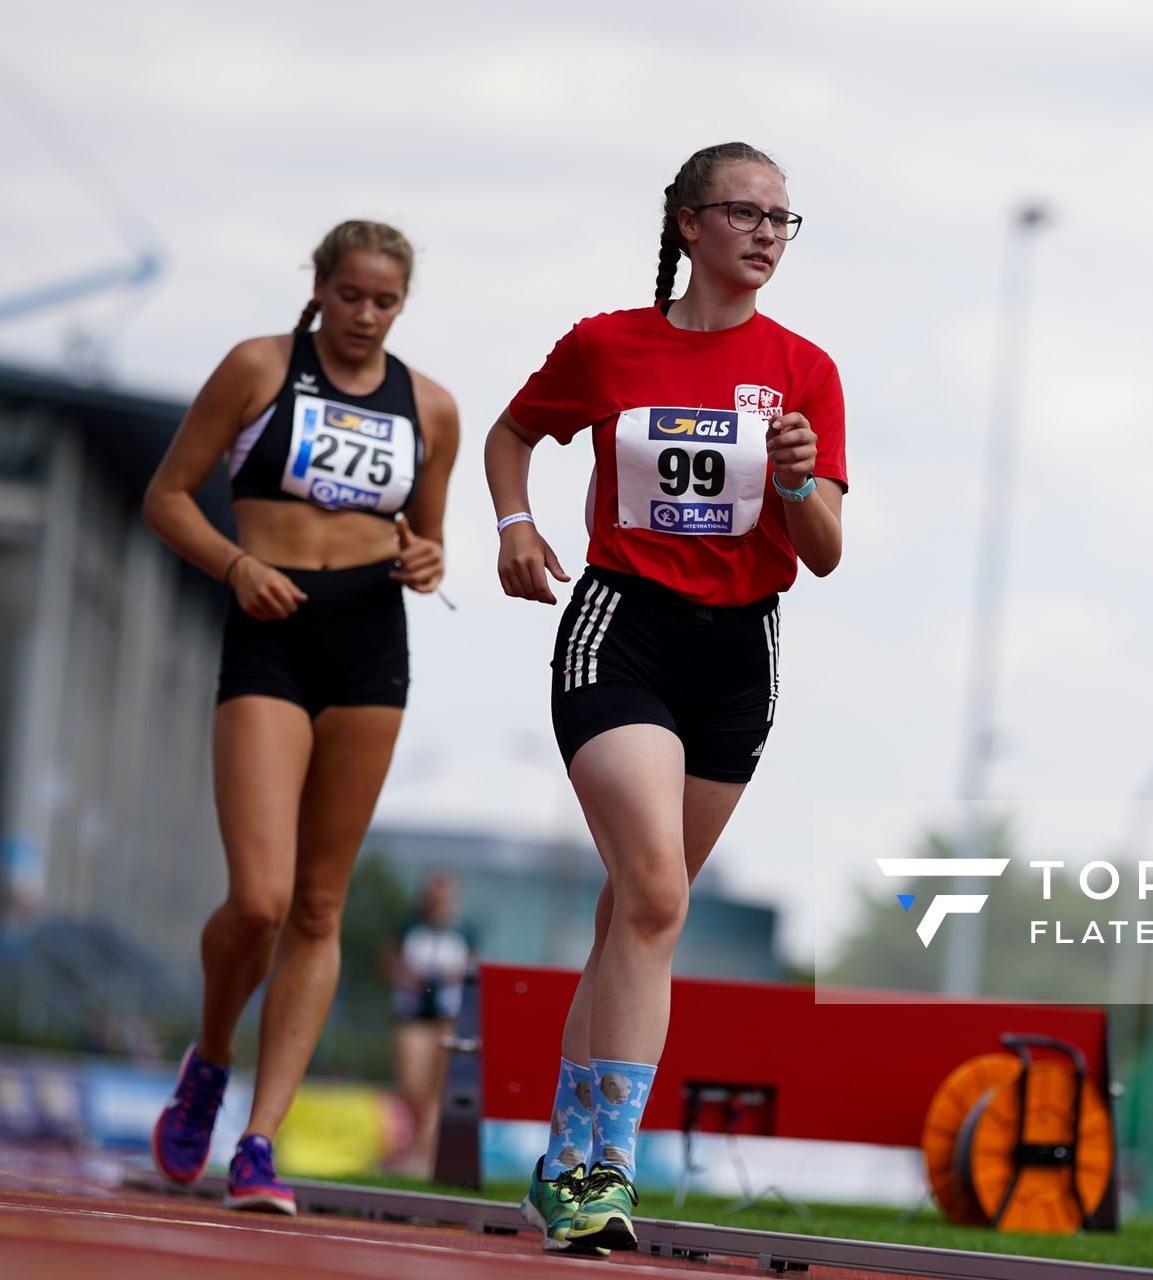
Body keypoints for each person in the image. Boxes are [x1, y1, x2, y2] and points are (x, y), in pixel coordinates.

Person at [486, 142, 846, 1252]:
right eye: (746, 212)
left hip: (738, 656)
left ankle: (564, 1148)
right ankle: (603, 1168)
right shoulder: (608, 346)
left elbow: (825, 551)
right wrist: (515, 521)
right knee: (653, 892)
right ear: (689, 223)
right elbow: (514, 432)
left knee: (633, 910)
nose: (768, 234)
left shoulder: (805, 369)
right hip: (621, 629)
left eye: (785, 219)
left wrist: (793, 476)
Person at [141, 220, 459, 1214]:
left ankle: (260, 1140)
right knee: (261, 900)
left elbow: (430, 540)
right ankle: (212, 1054)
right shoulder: (257, 367)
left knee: (320, 905)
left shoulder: (432, 407)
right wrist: (236, 563)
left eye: (386, 302)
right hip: (269, 634)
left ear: (403, 304)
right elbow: (167, 496)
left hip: (368, 647)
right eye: (351, 296)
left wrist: (426, 560)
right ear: (318, 288)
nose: (366, 317)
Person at [388, 869, 479, 1175]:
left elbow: (474, 969)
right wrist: (405, 975)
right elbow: (389, 961)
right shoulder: (409, 927)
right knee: (412, 1084)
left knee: (442, 1087)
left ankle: (424, 1151)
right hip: (415, 1014)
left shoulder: (464, 931)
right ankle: (418, 1141)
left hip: (448, 1017)